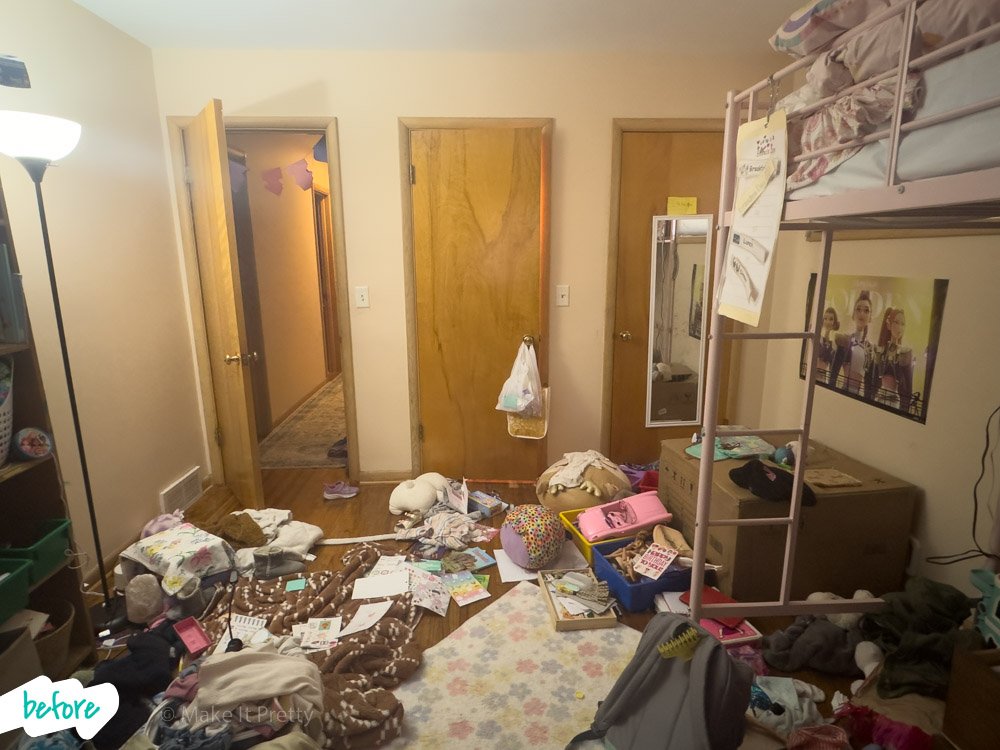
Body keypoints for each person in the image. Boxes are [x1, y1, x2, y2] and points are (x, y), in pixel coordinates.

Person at [828, 290, 873, 397]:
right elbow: (833, 374)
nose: (862, 313)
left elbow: (868, 383)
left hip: (859, 397)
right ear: (853, 314)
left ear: (870, 317)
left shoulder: (870, 348)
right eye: (858, 309)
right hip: (843, 393)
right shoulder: (844, 341)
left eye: (866, 311)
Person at [871, 307, 913, 411]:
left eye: (903, 324)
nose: (899, 327)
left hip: (894, 400)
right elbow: (873, 378)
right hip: (880, 396)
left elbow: (908, 386)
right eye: (896, 323)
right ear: (889, 325)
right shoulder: (880, 350)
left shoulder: (905, 353)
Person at [816, 306, 839, 382]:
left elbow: (832, 362)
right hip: (814, 371)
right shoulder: (818, 337)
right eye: (825, 319)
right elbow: (819, 353)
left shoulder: (834, 343)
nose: (828, 322)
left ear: (834, 322)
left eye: (831, 319)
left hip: (823, 376)